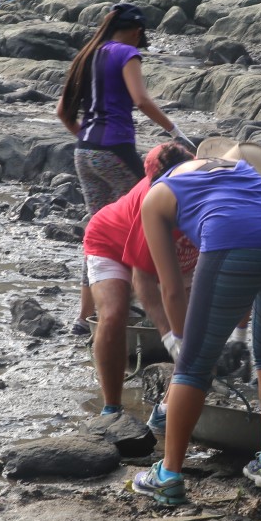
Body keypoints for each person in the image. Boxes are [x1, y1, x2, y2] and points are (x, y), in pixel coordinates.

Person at [130, 143, 261, 506]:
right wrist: (238, 334)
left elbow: (170, 288)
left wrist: (182, 344)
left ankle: (168, 476)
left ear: (152, 177)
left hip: (235, 244)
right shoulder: (232, 166)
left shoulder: (156, 196)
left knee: (193, 365)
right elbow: (258, 223)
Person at [57, 2, 194, 336]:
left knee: (99, 232)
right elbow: (141, 100)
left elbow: (63, 111)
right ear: (136, 31)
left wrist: (89, 140)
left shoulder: (87, 53)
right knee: (151, 217)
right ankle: (154, 301)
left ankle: (84, 317)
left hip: (84, 154)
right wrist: (176, 132)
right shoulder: (127, 53)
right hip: (116, 150)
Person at [82, 142, 198, 416]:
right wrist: (169, 338)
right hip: (110, 243)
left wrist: (237, 336)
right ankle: (112, 408)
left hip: (176, 254)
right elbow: (142, 279)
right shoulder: (154, 202)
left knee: (191, 330)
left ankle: (165, 412)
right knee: (113, 314)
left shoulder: (207, 185)